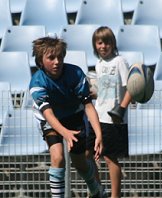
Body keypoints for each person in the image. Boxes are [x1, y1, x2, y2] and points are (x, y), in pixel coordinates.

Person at [29, 36, 107, 198]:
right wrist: (64, 132)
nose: (57, 61)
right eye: (51, 58)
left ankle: (95, 189)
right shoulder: (37, 83)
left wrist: (99, 134)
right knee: (57, 157)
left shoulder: (75, 73)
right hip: (50, 120)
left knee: (80, 163)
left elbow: (88, 106)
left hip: (74, 116)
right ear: (40, 61)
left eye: (60, 57)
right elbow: (48, 114)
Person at [87, 26, 132, 198]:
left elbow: (131, 88)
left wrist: (121, 109)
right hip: (97, 117)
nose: (103, 46)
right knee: (86, 154)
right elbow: (105, 91)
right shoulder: (98, 64)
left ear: (113, 44)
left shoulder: (119, 61)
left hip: (113, 119)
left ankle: (115, 195)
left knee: (110, 158)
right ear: (95, 45)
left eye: (107, 42)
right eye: (99, 43)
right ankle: (97, 190)